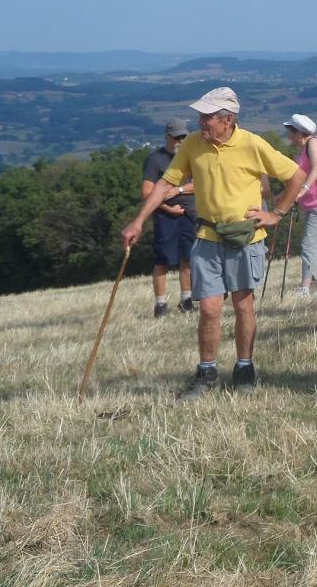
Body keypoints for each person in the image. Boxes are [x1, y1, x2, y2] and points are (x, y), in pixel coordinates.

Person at [122, 87, 306, 397]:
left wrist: (276, 213)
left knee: (243, 305)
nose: (201, 122)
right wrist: (138, 220)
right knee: (208, 308)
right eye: (201, 116)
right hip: (206, 236)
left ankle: (244, 368)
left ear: (228, 119)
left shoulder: (252, 143)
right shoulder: (193, 144)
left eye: (207, 117)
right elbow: (166, 183)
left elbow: (297, 175)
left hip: (244, 237)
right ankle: (206, 372)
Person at [141, 118, 197, 316]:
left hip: (190, 212)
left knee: (188, 259)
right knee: (163, 259)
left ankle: (186, 300)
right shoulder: (155, 159)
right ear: (167, 137)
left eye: (184, 136)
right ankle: (160, 304)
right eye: (177, 137)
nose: (181, 141)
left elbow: (201, 183)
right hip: (165, 216)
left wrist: (179, 189)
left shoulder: (191, 157)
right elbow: (147, 192)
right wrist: (167, 208)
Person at [283, 114, 317, 297]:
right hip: (315, 202)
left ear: (299, 133)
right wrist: (283, 195)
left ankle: (304, 287)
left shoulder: (313, 144)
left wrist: (301, 191)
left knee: (309, 244)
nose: (288, 136)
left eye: (290, 132)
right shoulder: (302, 148)